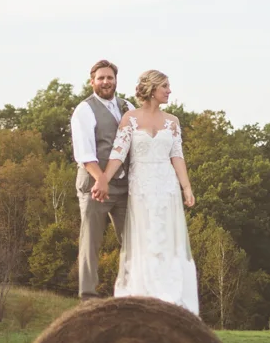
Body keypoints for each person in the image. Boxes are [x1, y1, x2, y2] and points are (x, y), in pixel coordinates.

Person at [90, 68, 199, 314]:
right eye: (165, 87)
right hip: (141, 187)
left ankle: (170, 297)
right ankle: (144, 295)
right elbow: (118, 154)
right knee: (145, 238)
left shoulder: (173, 121)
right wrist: (104, 179)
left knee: (167, 239)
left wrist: (186, 187)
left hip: (167, 186)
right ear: (151, 90)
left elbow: (177, 155)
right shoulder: (131, 118)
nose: (169, 91)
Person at [70, 59, 131, 298]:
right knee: (91, 242)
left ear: (116, 80)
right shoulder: (84, 109)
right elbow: (84, 152)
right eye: (101, 78)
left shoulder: (128, 106)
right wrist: (101, 179)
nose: (106, 82)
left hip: (124, 186)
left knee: (132, 241)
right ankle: (87, 296)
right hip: (94, 187)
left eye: (110, 78)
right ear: (92, 81)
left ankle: (128, 291)